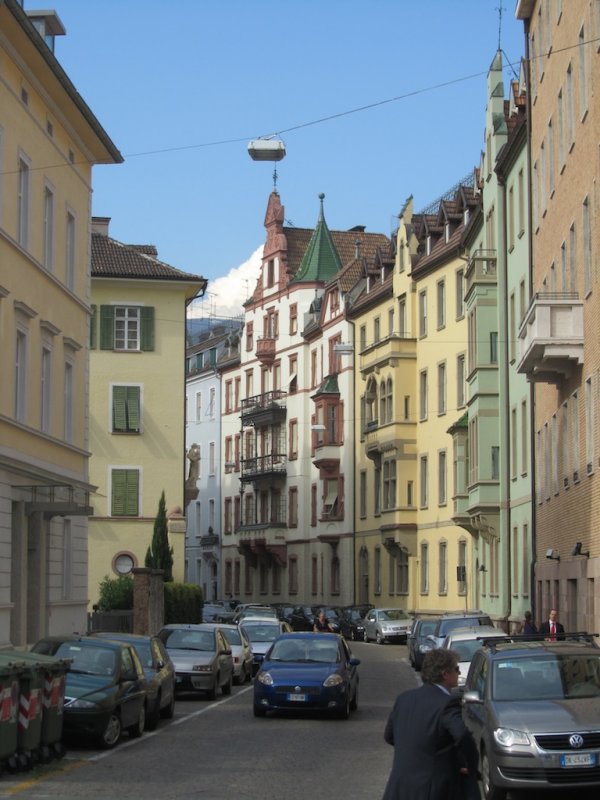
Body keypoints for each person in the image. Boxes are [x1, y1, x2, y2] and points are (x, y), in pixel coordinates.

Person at [382, 648, 480, 800]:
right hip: (432, 789)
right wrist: (469, 764)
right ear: (445, 674)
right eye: (456, 669)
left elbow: (389, 736)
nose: (459, 673)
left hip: (399, 787)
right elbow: (461, 735)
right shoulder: (447, 703)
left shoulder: (404, 699)